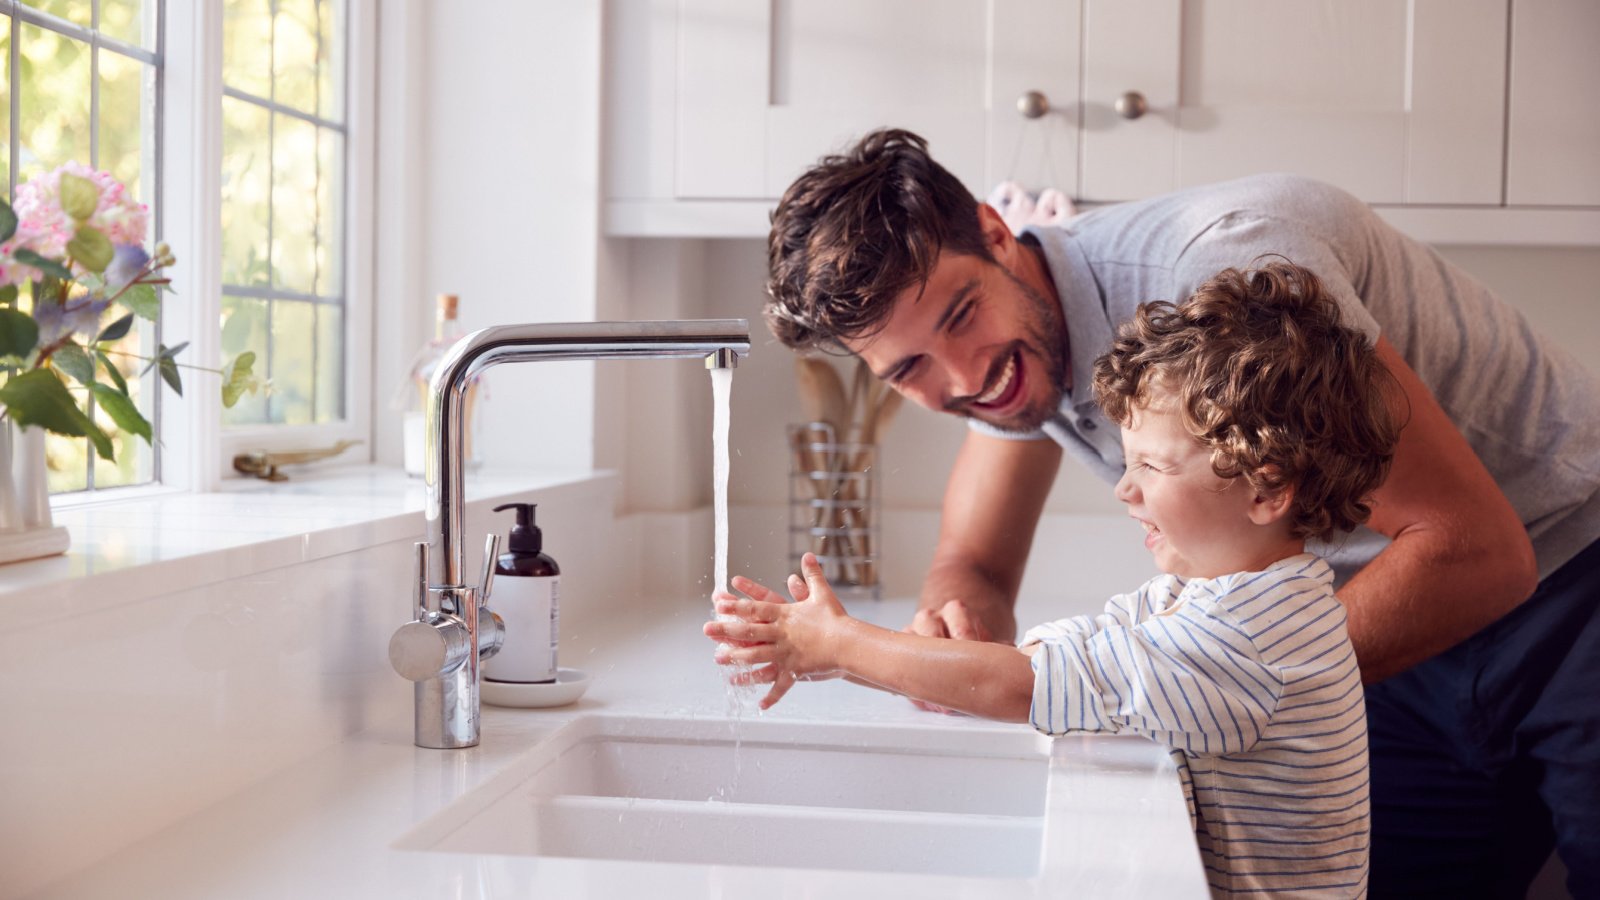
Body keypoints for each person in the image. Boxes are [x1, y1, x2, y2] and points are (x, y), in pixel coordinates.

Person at [761, 129, 1600, 899]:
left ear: (993, 231)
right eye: (910, 369)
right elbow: (973, 561)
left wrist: (1177, 684)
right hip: (1389, 626)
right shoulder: (1008, 354)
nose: (966, 378)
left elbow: (1477, 552)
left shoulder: (1223, 282)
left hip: (1571, 574)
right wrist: (958, 618)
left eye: (960, 314)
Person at [709, 261, 1395, 897]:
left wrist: (840, 645)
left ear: (1267, 489)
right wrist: (825, 655)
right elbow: (1052, 664)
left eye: (1151, 468)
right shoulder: (1227, 595)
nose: (1124, 490)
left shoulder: (1245, 640)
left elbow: (1023, 685)